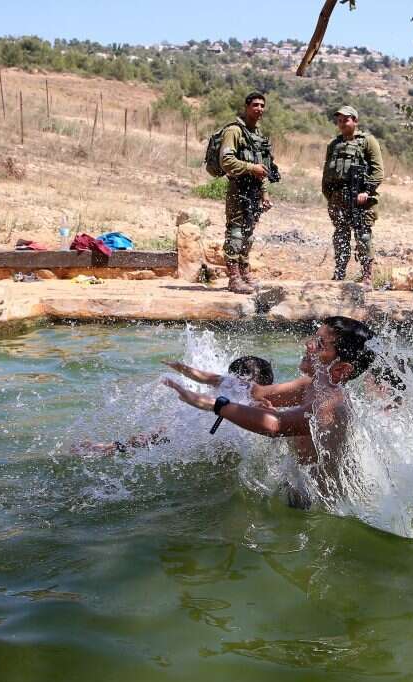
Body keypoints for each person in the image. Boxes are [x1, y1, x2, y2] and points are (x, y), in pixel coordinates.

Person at [163, 316, 379, 509]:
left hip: (325, 509)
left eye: (320, 344)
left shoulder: (332, 404)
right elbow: (255, 392)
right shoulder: (310, 385)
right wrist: (202, 377)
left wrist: (215, 404)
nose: (308, 345)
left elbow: (275, 425)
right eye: (314, 338)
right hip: (301, 500)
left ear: (341, 369)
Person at [79, 355, 275, 456]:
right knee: (155, 435)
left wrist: (181, 368)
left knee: (154, 437)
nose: (242, 383)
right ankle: (106, 448)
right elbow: (200, 375)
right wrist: (180, 368)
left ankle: (106, 448)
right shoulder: (236, 386)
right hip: (202, 429)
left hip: (202, 429)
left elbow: (200, 375)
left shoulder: (235, 386)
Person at [219, 91, 279, 295]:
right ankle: (233, 277)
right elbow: (226, 161)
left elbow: (263, 169)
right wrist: (251, 168)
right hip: (238, 189)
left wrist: (265, 194)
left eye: (262, 105)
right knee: (235, 233)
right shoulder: (234, 131)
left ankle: (244, 272)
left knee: (248, 235)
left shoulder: (259, 136)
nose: (259, 109)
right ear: (246, 107)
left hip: (254, 192)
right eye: (255, 105)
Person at [321, 106, 384, 288]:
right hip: (338, 198)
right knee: (340, 236)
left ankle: (367, 277)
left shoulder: (368, 142)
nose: (342, 123)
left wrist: (367, 191)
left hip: (360, 198)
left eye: (346, 119)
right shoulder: (334, 144)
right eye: (339, 120)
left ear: (355, 121)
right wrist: (330, 196)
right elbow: (327, 172)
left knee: (363, 236)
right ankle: (340, 273)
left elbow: (378, 171)